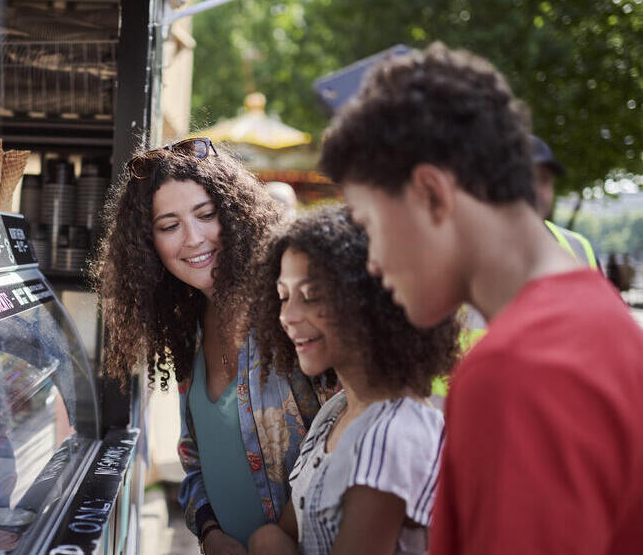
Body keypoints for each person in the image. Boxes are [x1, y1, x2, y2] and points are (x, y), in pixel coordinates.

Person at [319, 42, 643, 554]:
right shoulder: (601, 319)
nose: (372, 260)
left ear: (431, 193)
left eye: (368, 224)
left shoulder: (518, 369)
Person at [93, 137, 321, 553]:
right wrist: (211, 534)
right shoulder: (187, 329)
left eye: (206, 215)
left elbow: (350, 431)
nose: (193, 238)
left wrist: (277, 539)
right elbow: (194, 459)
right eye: (169, 225)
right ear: (148, 246)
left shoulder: (290, 310)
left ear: (235, 215)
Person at [245, 207, 459, 555]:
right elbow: (281, 532)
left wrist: (266, 543)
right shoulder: (335, 411)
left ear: (370, 300)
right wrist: (267, 540)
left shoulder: (393, 435)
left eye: (312, 295)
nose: (288, 316)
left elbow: (276, 539)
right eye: (284, 296)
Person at [529, 134, 600, 269]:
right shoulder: (482, 248)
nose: (536, 190)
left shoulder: (580, 248)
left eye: (544, 179)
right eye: (528, 178)